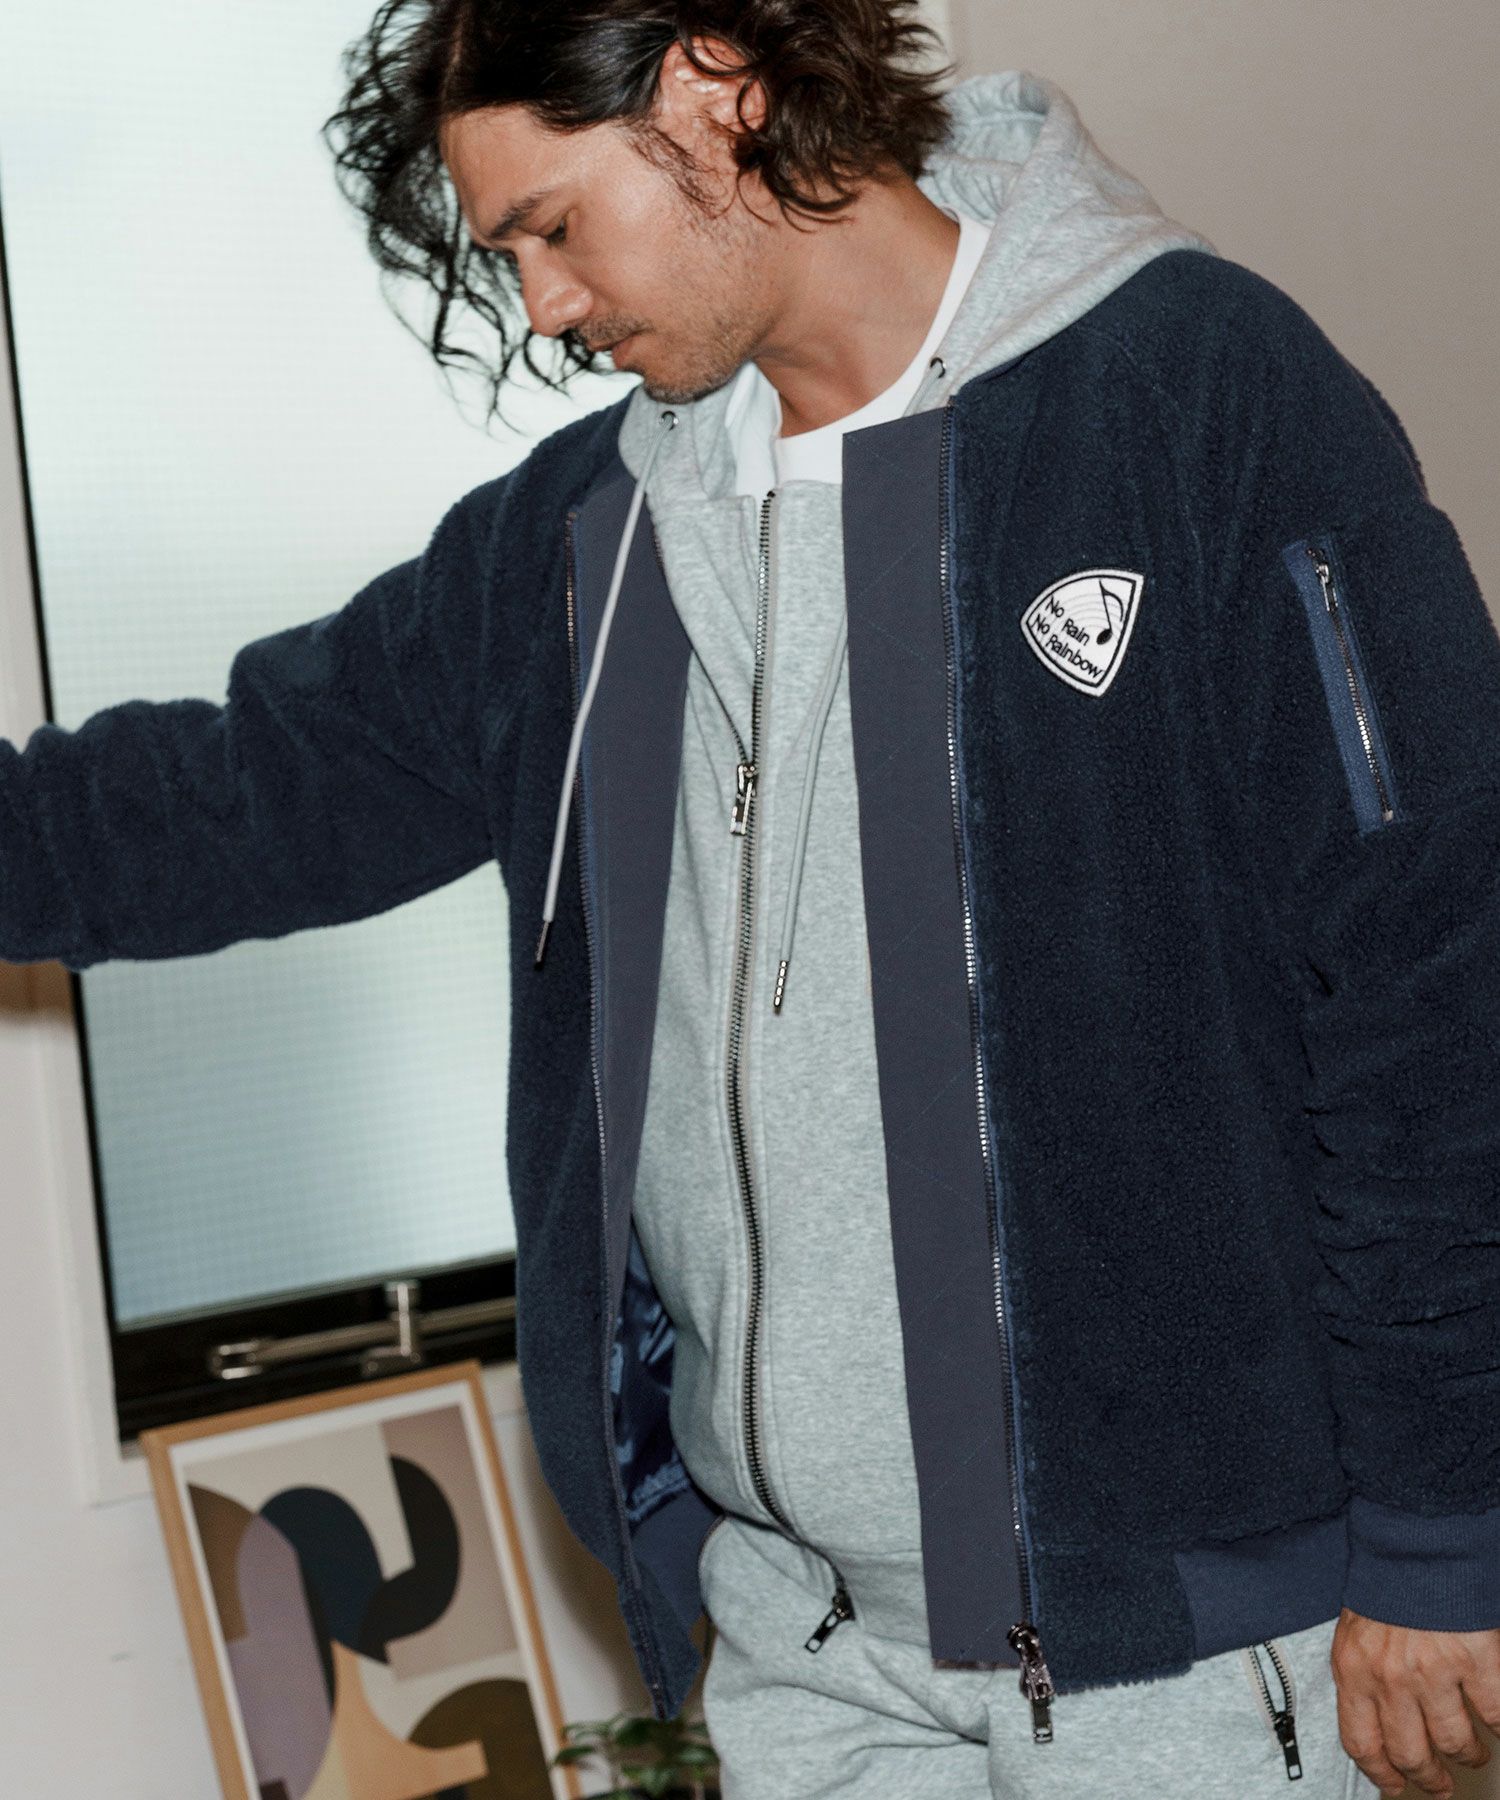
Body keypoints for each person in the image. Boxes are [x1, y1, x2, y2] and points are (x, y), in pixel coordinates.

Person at [4, 3, 1497, 1795]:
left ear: (715, 85)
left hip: (1191, 1658)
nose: (544, 304)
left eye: (555, 226)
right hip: (807, 1659)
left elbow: (1434, 979)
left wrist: (1444, 1527)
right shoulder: (588, 542)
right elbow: (234, 794)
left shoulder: (1193, 394)